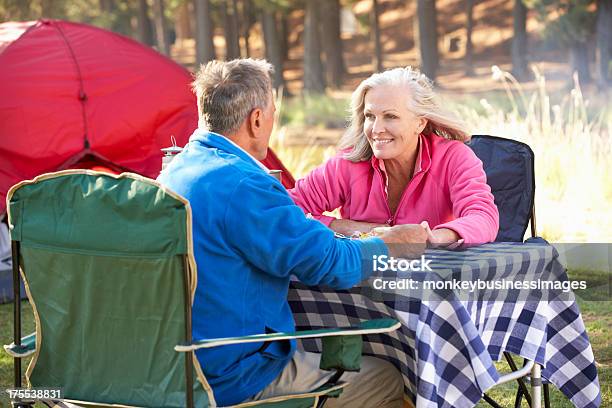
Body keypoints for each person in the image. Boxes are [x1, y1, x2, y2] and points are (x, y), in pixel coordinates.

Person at [157, 59, 425, 407]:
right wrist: (387, 244)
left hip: (173, 369)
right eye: (272, 110)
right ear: (256, 119)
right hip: (233, 377)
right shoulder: (244, 185)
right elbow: (330, 264)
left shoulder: (174, 172)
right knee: (388, 377)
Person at [289, 67, 499, 246]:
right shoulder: (347, 163)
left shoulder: (454, 157)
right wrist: (347, 227)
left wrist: (429, 238)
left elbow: (483, 217)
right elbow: (285, 209)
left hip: (435, 282)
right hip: (360, 284)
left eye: (391, 116)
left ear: (420, 122)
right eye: (370, 116)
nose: (376, 129)